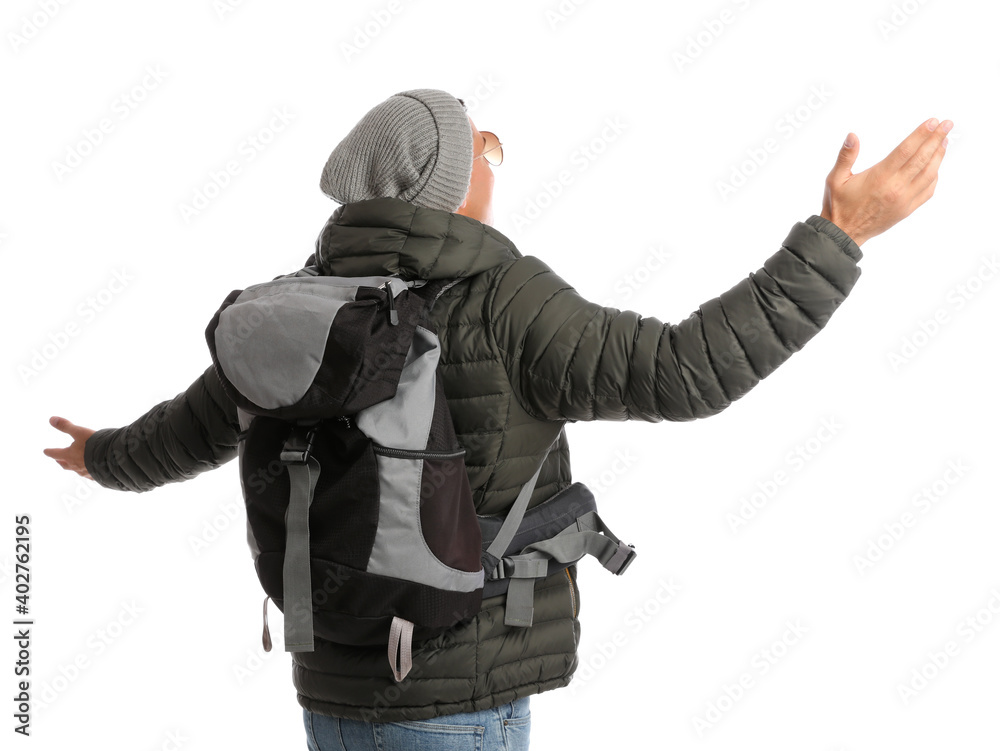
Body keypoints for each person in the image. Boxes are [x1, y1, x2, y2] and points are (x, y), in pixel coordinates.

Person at [43, 88, 951, 750]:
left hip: (328, 691)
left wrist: (100, 455)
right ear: (444, 184)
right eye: (481, 147)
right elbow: (683, 372)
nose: (493, 159)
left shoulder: (294, 310)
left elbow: (187, 431)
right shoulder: (505, 298)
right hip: (457, 696)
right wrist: (838, 236)